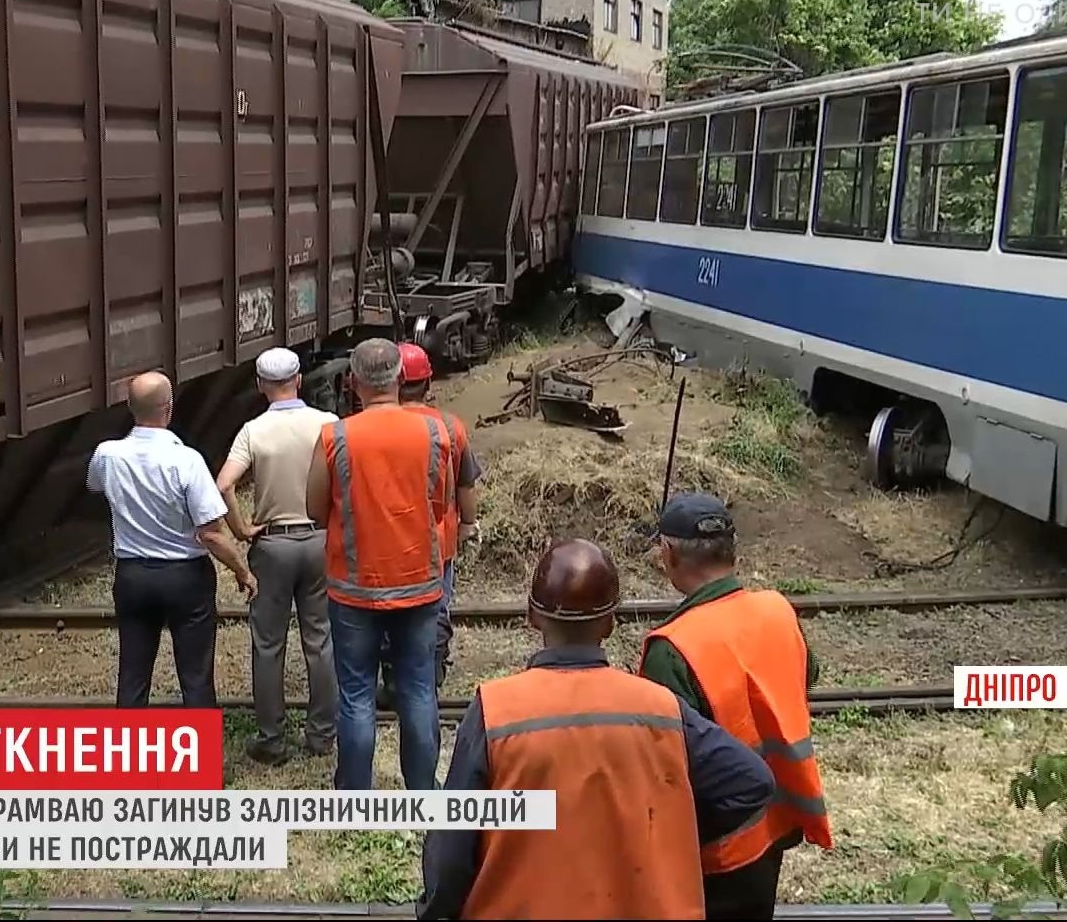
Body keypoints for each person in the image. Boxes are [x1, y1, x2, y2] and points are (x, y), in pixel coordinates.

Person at [418, 539, 776, 920]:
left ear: (531, 616)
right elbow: (753, 784)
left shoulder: (495, 712)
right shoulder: (662, 709)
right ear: (610, 623)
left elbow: (451, 851)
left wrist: (434, 908)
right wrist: (660, 838)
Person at [639, 492, 834, 921]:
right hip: (780, 819)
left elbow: (664, 766)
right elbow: (808, 672)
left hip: (719, 848)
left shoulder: (673, 649)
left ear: (668, 554)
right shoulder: (777, 610)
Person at [305, 338, 453, 792]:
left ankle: (353, 794)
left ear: (353, 382)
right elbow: (442, 502)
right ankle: (423, 792)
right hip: (420, 583)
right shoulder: (435, 433)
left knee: (355, 694)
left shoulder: (336, 436)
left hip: (354, 587)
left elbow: (314, 509)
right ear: (402, 379)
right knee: (417, 689)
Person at [87, 371, 257, 710]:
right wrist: (242, 571)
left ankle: (128, 756)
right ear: (169, 408)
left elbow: (95, 486)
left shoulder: (107, 454)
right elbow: (210, 532)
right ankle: (200, 758)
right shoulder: (187, 460)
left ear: (129, 406)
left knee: (133, 674)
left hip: (133, 574)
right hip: (185, 577)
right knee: (195, 677)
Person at [215, 347, 340, 765]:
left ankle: (271, 738)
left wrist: (241, 528)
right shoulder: (328, 424)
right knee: (320, 639)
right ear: (300, 379)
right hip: (319, 539)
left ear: (260, 385)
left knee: (268, 644)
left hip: (272, 543)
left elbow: (223, 484)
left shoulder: (253, 430)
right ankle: (322, 734)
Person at [378, 342, 480, 707]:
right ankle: (429, 679)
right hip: (439, 543)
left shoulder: (376, 427)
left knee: (389, 609)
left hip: (387, 541)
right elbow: (465, 484)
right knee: (436, 609)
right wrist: (468, 524)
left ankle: (392, 683)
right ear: (428, 382)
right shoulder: (451, 427)